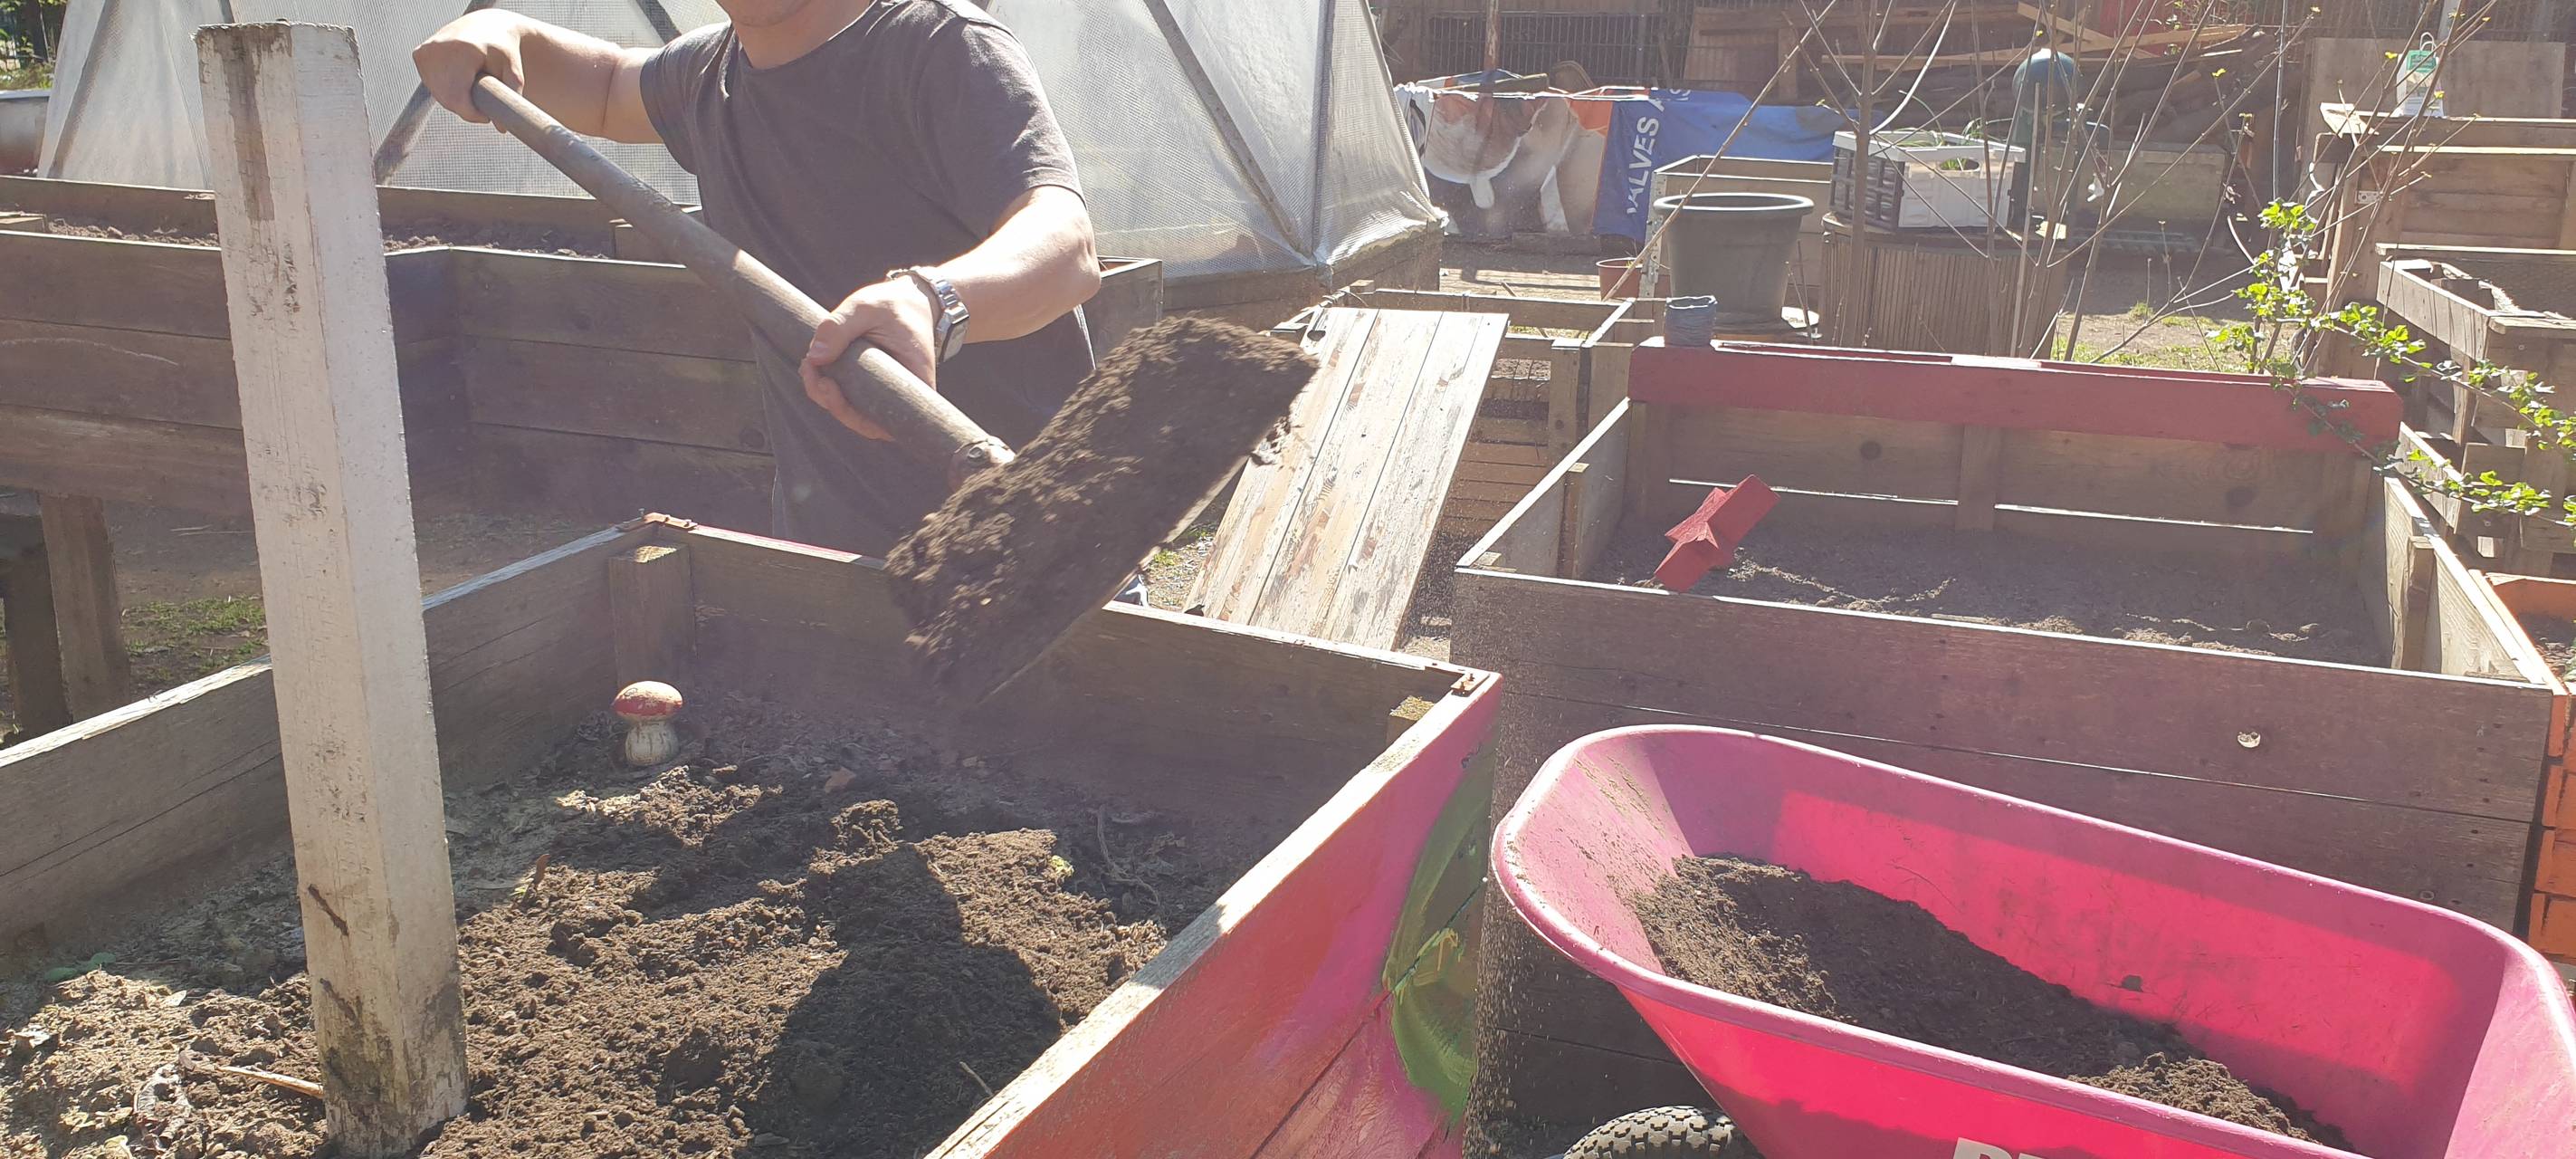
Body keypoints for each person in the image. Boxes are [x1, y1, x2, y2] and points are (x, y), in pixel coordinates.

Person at [414, 0, 1150, 604]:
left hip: (1039, 562)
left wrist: (933, 300)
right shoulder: (706, 75)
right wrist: (497, 28)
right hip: (834, 570)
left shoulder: (936, 46)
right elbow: (605, 85)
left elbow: (1065, 245)